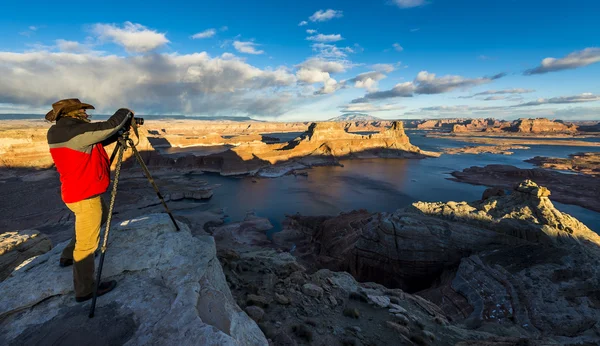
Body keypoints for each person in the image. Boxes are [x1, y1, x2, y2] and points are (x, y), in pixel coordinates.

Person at [46, 98, 133, 302]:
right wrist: (124, 111)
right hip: (85, 196)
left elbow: (98, 139)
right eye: (82, 111)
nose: (86, 113)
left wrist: (119, 133)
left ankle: (67, 256)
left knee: (99, 218)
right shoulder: (74, 132)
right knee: (87, 246)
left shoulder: (61, 132)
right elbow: (109, 125)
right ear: (72, 113)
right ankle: (85, 290)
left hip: (76, 192)